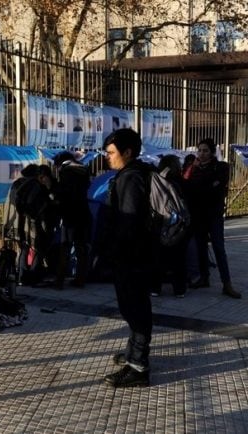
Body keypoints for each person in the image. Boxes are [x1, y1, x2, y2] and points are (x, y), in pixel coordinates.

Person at [102, 128, 154, 388]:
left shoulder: (131, 178)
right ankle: (133, 355)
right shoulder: (134, 173)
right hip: (134, 255)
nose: (107, 157)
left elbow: (129, 222)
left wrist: (116, 251)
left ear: (128, 152)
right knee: (134, 308)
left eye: (111, 153)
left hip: (132, 257)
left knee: (136, 310)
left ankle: (138, 368)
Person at [184, 138, 241, 298]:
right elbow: (186, 185)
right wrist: (194, 173)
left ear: (212, 152)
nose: (201, 154)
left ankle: (227, 283)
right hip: (198, 215)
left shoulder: (221, 167)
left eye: (205, 151)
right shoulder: (192, 168)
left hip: (214, 215)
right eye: (199, 150)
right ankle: (204, 277)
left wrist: (201, 187)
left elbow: (215, 187)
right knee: (201, 246)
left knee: (218, 248)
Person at [52, 151, 91, 288]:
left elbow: (64, 194)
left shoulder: (66, 172)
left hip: (70, 214)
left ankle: (60, 280)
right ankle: (80, 279)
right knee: (81, 248)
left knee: (65, 246)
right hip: (84, 212)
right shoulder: (83, 170)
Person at [151, 155, 188, 298]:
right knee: (178, 258)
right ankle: (179, 289)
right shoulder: (180, 182)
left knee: (157, 257)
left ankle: (155, 288)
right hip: (176, 224)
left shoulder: (155, 181)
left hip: (159, 221)